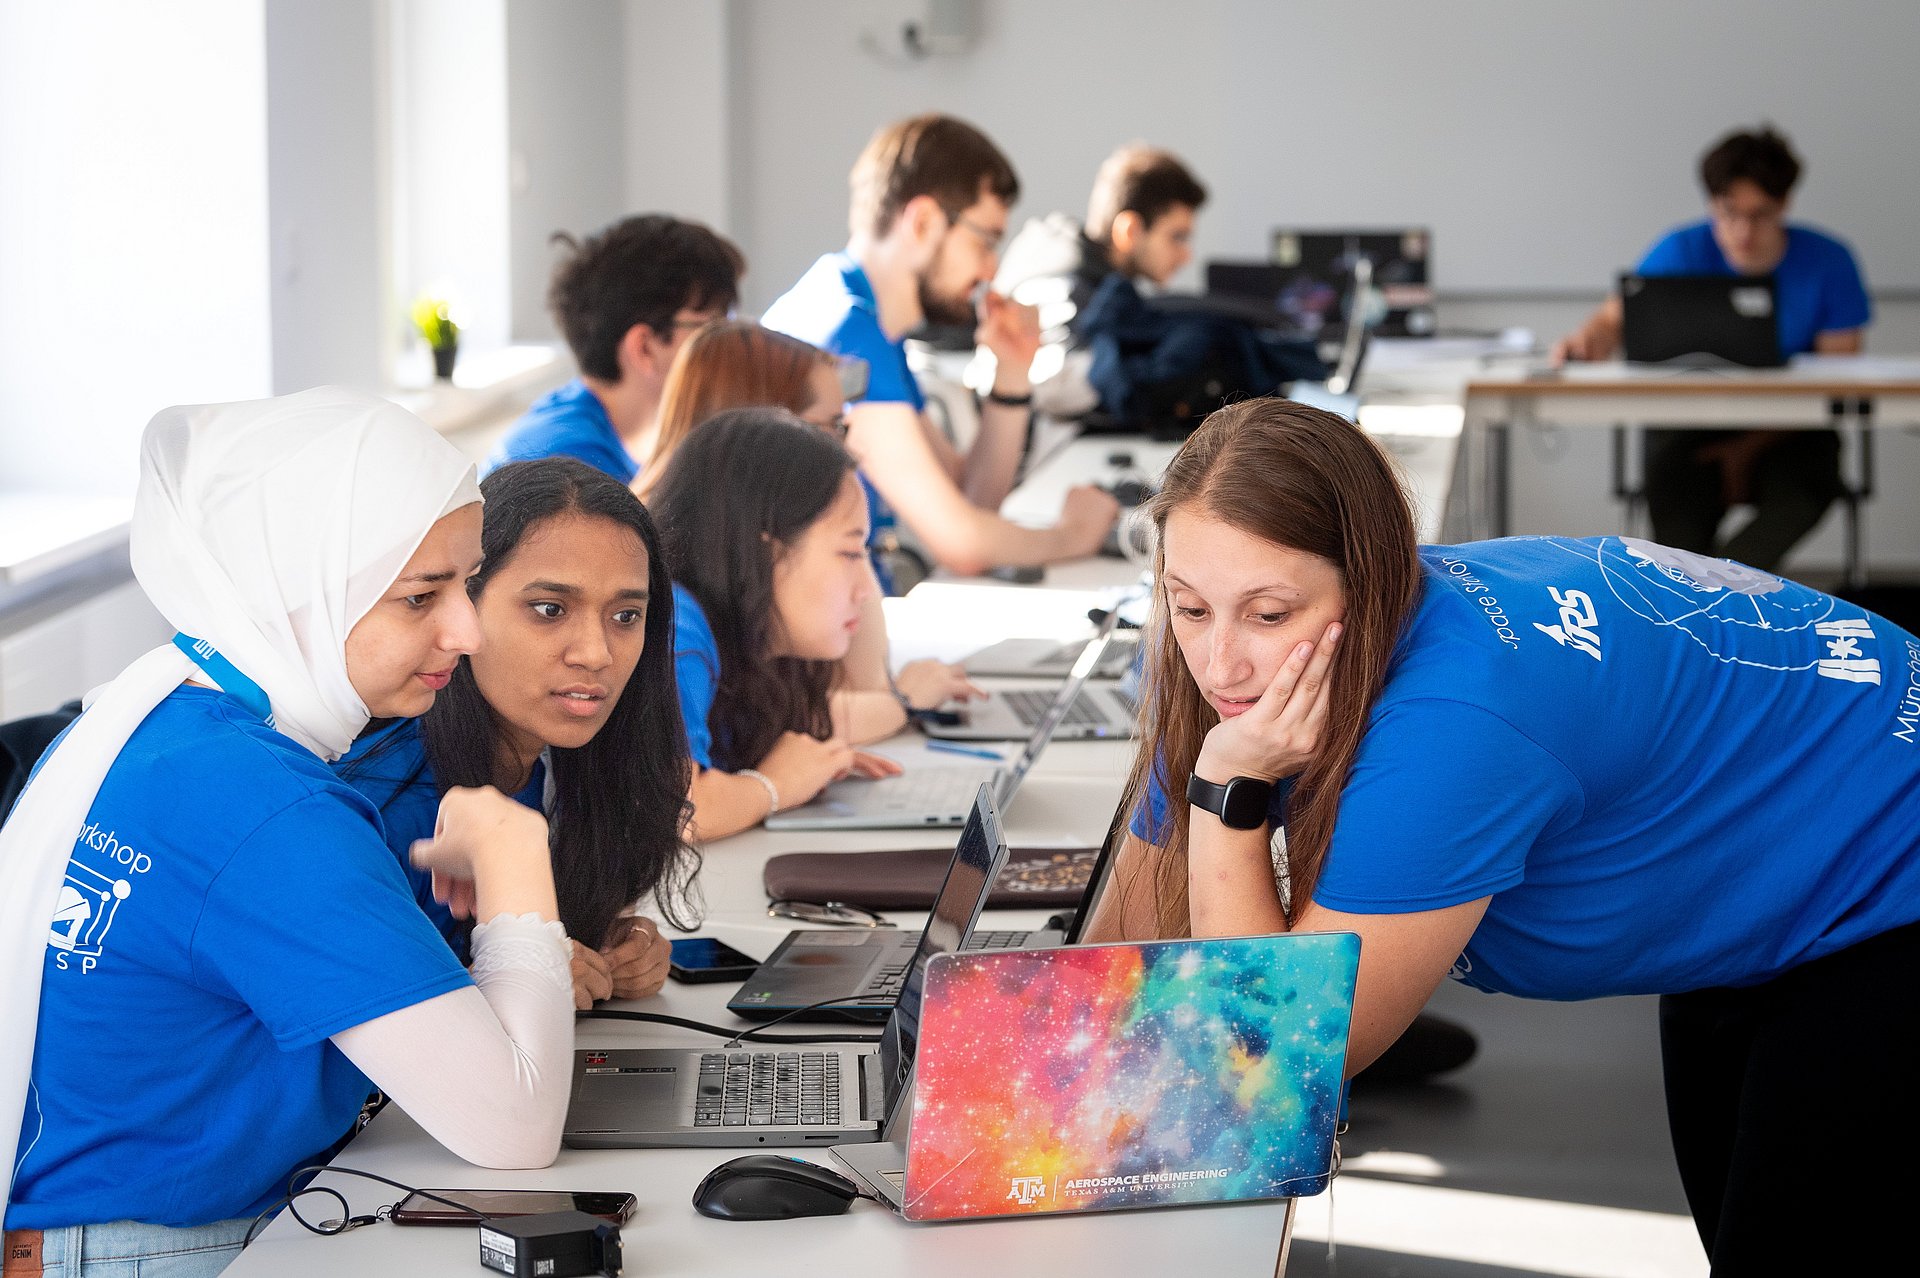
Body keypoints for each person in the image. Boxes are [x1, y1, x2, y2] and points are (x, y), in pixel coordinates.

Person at [1093, 396, 1920, 1271]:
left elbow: (1269, 1078)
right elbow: (1116, 962)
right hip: (1770, 850)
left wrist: (1227, 791)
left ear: (1367, 584)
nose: (1221, 663)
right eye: (1188, 608)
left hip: (1885, 857)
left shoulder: (1454, 722)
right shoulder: (1238, 669)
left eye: (1269, 615)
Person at [1, 387, 573, 1276]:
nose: (464, 630)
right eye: (420, 597)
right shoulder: (262, 807)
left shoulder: (157, 720)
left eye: (465, 584)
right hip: (162, 1251)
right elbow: (514, 1127)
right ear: (292, 596)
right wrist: (515, 858)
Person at [338, 457, 700, 1009]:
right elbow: (346, 1025)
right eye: (550, 609)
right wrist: (508, 980)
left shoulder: (568, 763)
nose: (596, 654)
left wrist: (607, 945)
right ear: (464, 606)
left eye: (626, 616)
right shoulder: (381, 800)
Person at [761, 113, 1119, 584]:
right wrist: (1075, 534)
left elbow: (969, 498)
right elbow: (961, 542)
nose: (991, 269)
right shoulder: (846, 334)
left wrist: (1011, 377)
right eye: (986, 239)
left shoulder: (865, 320)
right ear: (924, 221)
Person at [634, 319, 982, 739]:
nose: (847, 449)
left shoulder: (728, 559)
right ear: (765, 436)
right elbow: (845, 693)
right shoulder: (672, 608)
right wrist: (902, 702)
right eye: (831, 426)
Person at [1553, 126, 1871, 571]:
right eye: (1729, 213)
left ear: (1783, 205)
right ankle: (1703, 594)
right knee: (1678, 541)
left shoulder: (1828, 261)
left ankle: (1717, 598)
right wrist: (1588, 340)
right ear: (1711, 204)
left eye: (1759, 215)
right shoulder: (1681, 249)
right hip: (1689, 426)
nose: (1742, 231)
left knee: (1804, 493)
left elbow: (1834, 384)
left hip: (1789, 431)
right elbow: (1612, 321)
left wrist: (1747, 448)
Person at [648, 407, 902, 839]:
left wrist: (810, 767)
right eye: (849, 553)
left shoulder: (745, 638)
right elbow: (681, 811)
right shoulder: (679, 630)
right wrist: (777, 786)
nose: (865, 588)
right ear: (768, 553)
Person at [484, 213, 745, 484]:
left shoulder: (614, 440)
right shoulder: (567, 469)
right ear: (644, 348)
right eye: (711, 329)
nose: (730, 345)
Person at [996, 143, 1209, 421]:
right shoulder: (1070, 288)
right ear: (1130, 230)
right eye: (1176, 237)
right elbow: (1053, 384)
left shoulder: (1052, 247)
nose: (1186, 256)